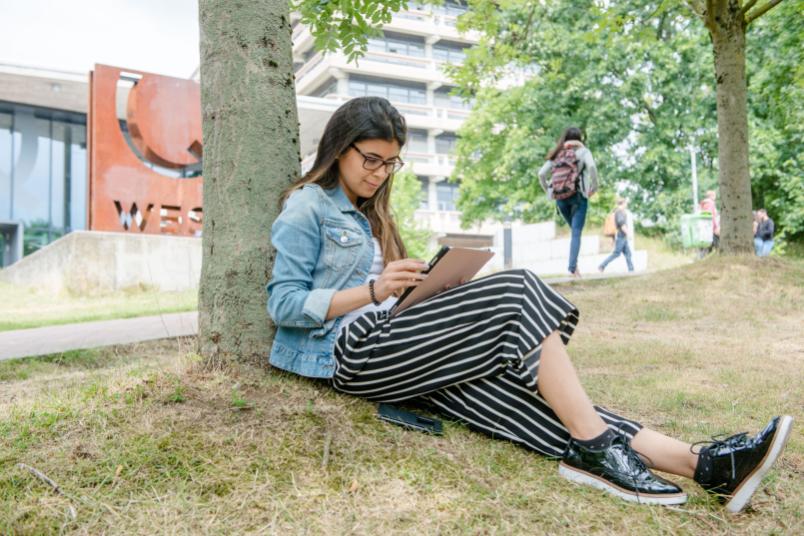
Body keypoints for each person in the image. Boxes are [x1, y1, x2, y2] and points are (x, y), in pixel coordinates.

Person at [266, 96, 793, 512]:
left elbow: (385, 294)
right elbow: (283, 304)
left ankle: (704, 467)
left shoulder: (371, 212)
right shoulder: (307, 205)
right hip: (348, 354)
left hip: (395, 339)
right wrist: (376, 291)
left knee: (523, 396)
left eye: (391, 163)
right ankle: (595, 449)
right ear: (340, 148)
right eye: (371, 160)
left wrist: (416, 288)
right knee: (517, 288)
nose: (380, 173)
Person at [538, 127, 598, 278]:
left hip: (560, 199)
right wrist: (594, 187)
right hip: (579, 196)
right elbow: (591, 167)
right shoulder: (583, 152)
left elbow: (541, 174)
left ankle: (575, 268)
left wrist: (549, 191)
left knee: (574, 232)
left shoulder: (557, 154)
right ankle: (572, 268)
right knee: (576, 233)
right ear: (579, 138)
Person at [598, 198, 634, 273]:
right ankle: (602, 265)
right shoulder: (619, 212)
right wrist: (628, 234)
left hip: (622, 237)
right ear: (623, 203)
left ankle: (631, 270)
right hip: (621, 236)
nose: (627, 204)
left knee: (628, 253)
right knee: (616, 254)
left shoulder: (619, 212)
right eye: (626, 203)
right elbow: (622, 225)